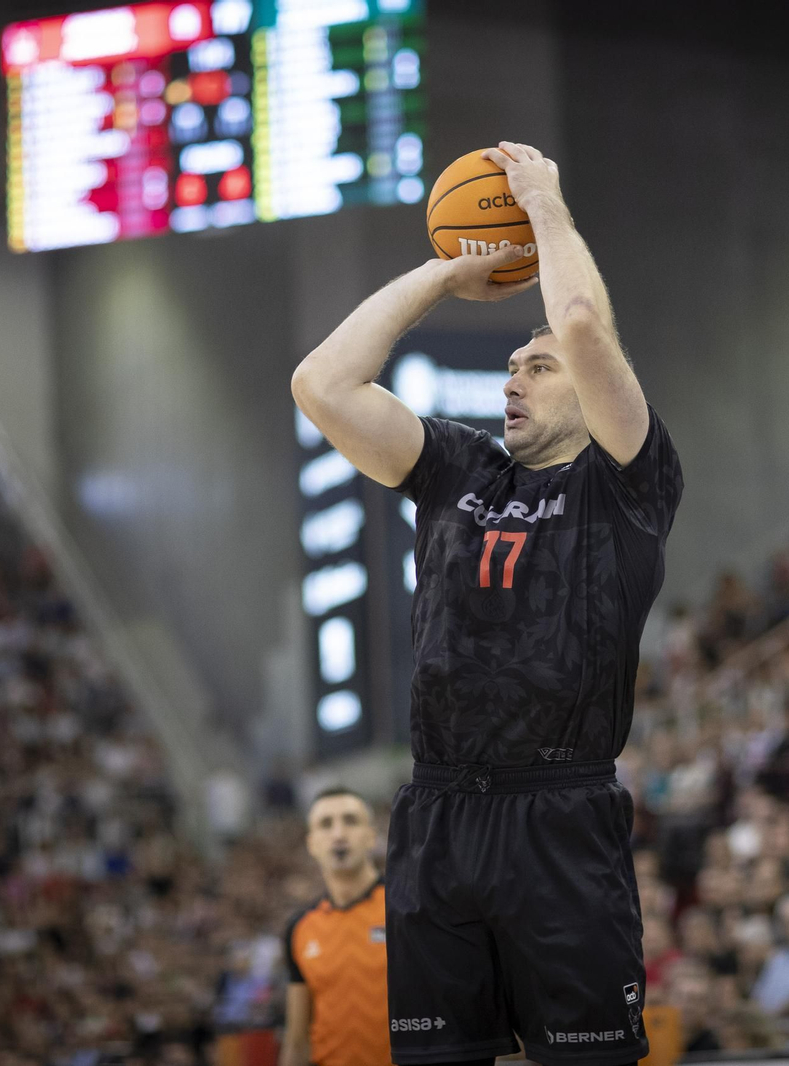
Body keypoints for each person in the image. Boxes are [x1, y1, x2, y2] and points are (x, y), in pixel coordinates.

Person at [292, 139, 683, 1066]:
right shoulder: (458, 468)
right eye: (510, 366)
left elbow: (581, 324)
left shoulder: (627, 481)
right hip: (437, 814)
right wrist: (444, 272)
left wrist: (542, 202)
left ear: (591, 392)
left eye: (537, 368)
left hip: (559, 812)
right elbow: (323, 383)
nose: (514, 378)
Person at [281, 789, 390, 1066]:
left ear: (371, 836)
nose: (339, 834)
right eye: (326, 824)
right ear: (311, 843)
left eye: (350, 821)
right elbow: (296, 1042)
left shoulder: (405, 908)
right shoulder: (300, 928)